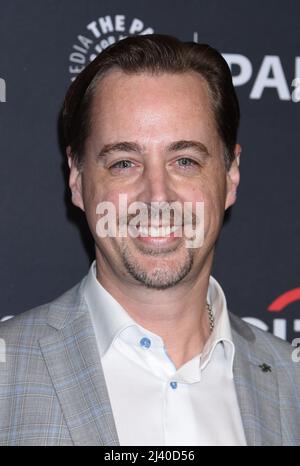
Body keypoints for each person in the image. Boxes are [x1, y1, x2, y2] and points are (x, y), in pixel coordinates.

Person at [0, 34, 299, 447]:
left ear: (230, 176)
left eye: (185, 161)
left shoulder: (292, 383)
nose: (157, 196)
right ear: (77, 178)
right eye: (124, 162)